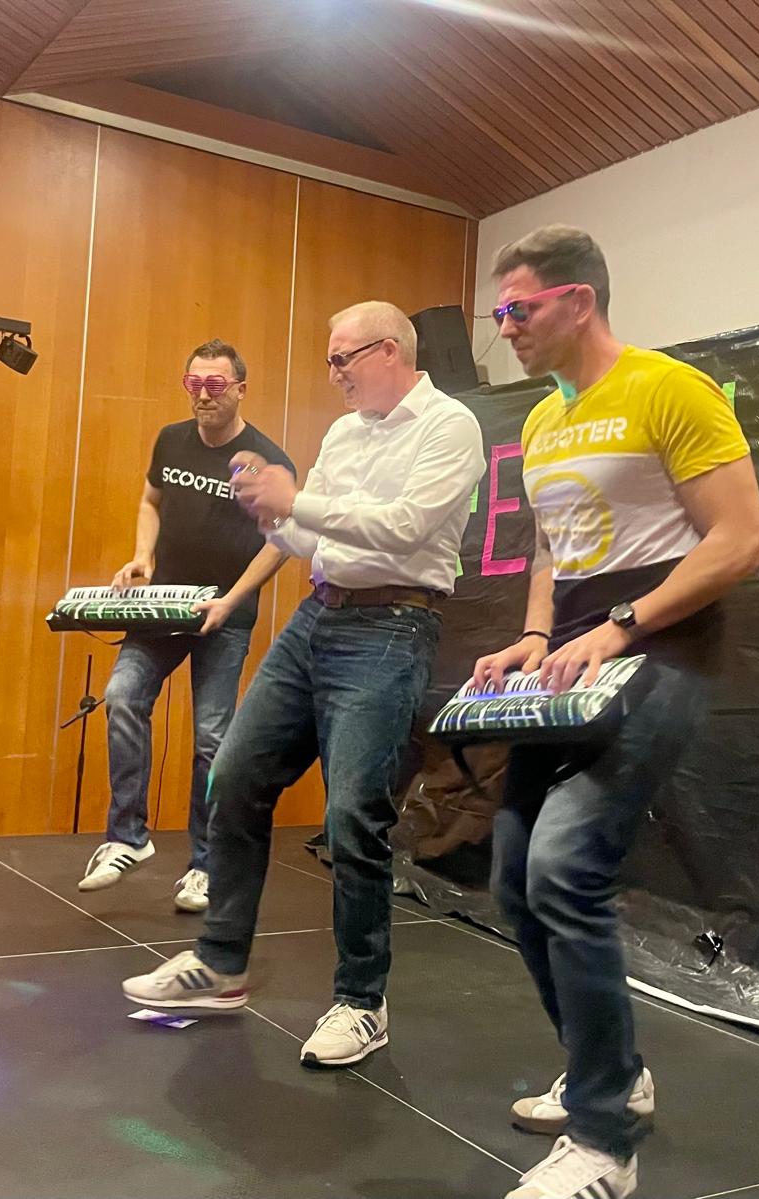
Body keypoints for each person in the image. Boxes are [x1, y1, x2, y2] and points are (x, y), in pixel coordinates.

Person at [471, 226, 759, 1199]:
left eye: (518, 307)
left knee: (564, 864)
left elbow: (741, 539)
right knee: (515, 877)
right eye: (499, 311)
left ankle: (603, 1143)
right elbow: (553, 547)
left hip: (659, 646)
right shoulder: (544, 421)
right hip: (570, 653)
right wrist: (533, 633)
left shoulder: (669, 388)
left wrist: (624, 623)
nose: (505, 326)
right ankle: (611, 1067)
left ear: (578, 301)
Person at [121, 301, 485, 1068]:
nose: (334, 373)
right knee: (234, 773)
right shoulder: (346, 433)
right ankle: (221, 963)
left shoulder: (449, 426)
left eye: (342, 358)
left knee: (353, 812)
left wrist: (296, 501)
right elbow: (306, 532)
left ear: (389, 351)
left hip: (394, 624)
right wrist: (265, 510)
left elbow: (406, 526)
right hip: (318, 616)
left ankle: (362, 1001)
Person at [78, 340, 293, 915]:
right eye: (193, 383)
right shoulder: (171, 440)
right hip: (163, 605)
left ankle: (205, 864)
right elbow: (150, 500)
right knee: (121, 697)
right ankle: (128, 836)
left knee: (211, 741)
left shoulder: (266, 461)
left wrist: (232, 599)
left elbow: (281, 541)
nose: (202, 395)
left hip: (225, 616)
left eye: (214, 385)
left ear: (240, 389)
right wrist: (141, 557)